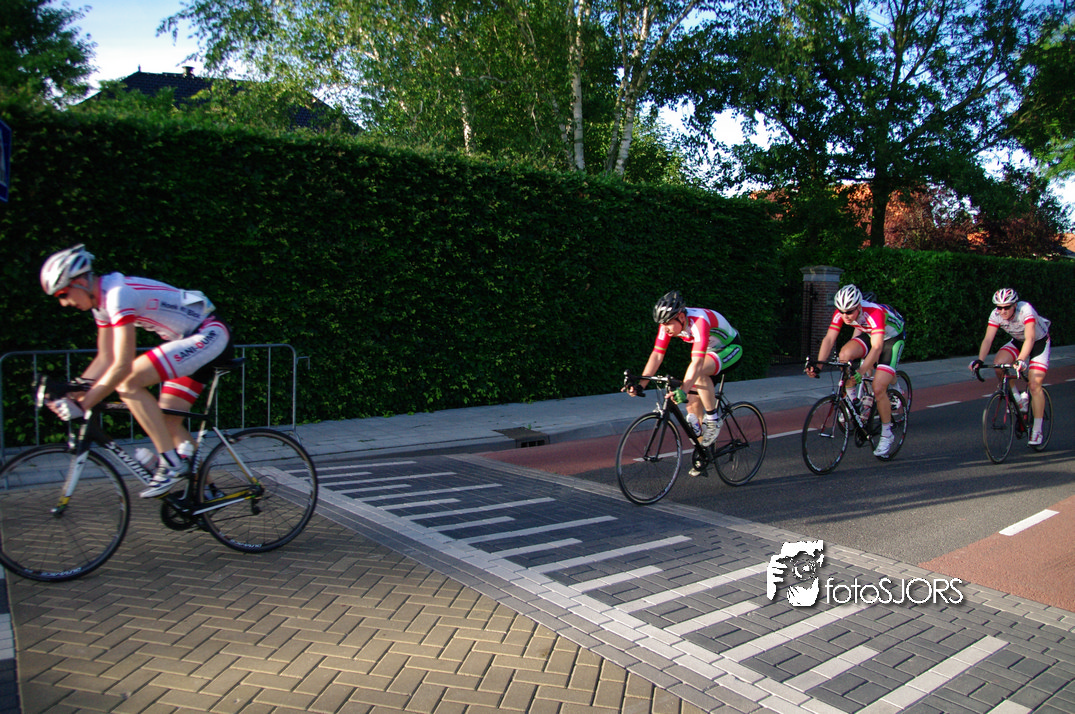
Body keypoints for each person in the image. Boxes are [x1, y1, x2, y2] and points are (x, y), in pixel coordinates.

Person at [39, 245, 234, 497]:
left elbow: (121, 364)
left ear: (80, 282)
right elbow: (105, 357)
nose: (64, 303)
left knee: (128, 382)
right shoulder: (101, 305)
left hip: (209, 333)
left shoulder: (117, 295)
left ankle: (170, 463)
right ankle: (207, 491)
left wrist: (85, 403)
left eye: (63, 294)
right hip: (188, 341)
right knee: (168, 422)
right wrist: (74, 390)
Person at [626, 290, 744, 464]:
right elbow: (657, 355)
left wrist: (683, 389)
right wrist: (641, 385)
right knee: (692, 404)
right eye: (662, 324)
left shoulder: (699, 321)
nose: (665, 328)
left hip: (729, 349)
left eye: (668, 323)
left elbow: (697, 362)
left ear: (681, 317)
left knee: (699, 371)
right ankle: (705, 454)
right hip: (709, 353)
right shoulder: (667, 326)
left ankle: (713, 420)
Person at [805, 284, 906, 458]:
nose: (845, 316)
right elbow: (829, 339)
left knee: (878, 387)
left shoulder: (874, 312)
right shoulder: (843, 312)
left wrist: (861, 370)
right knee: (844, 355)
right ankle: (854, 403)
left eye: (849, 312)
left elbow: (877, 348)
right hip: (871, 334)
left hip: (892, 338)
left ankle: (887, 434)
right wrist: (819, 365)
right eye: (841, 312)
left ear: (859, 306)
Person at [969, 288, 1051, 446]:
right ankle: (1019, 401)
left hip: (1038, 343)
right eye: (999, 307)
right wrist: (980, 360)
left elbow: (1030, 338)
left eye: (1006, 307)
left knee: (1034, 385)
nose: (1002, 311)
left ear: (1014, 305)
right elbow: (988, 339)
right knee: (999, 365)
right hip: (1018, 341)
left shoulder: (1025, 310)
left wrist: (1020, 360)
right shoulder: (995, 314)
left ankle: (1037, 430)